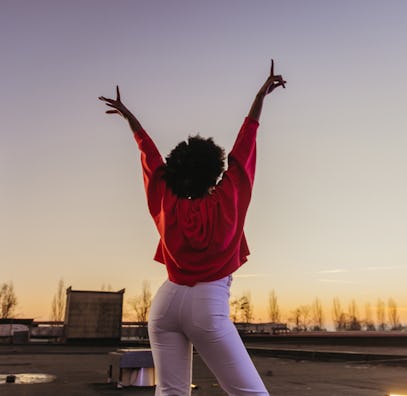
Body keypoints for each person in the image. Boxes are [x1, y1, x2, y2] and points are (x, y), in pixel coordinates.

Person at [99, 61, 286, 396]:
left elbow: (150, 159)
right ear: (215, 172)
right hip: (207, 305)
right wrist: (260, 98)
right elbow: (243, 150)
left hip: (166, 304)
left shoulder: (166, 203)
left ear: (177, 172)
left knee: (171, 392)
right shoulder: (229, 197)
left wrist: (131, 120)